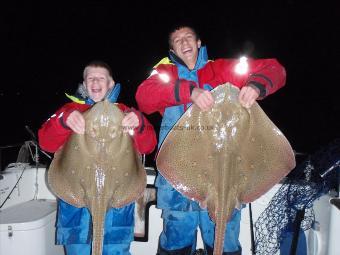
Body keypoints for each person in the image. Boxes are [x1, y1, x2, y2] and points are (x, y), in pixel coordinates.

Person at [135, 25, 286, 255]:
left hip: (223, 179)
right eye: (177, 40)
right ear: (171, 49)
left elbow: (274, 68)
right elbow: (144, 97)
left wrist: (256, 85)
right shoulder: (164, 74)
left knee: (223, 241)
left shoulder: (223, 69)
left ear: (198, 43)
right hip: (178, 182)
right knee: (176, 241)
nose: (184, 43)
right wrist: (189, 92)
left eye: (188, 38)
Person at [38, 60, 157, 255]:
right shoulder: (69, 111)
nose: (95, 82)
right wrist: (64, 122)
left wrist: (140, 124)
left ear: (111, 84)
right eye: (90, 78)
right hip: (77, 206)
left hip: (117, 206)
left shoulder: (126, 113)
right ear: (84, 85)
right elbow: (45, 142)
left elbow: (148, 146)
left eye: (101, 78)